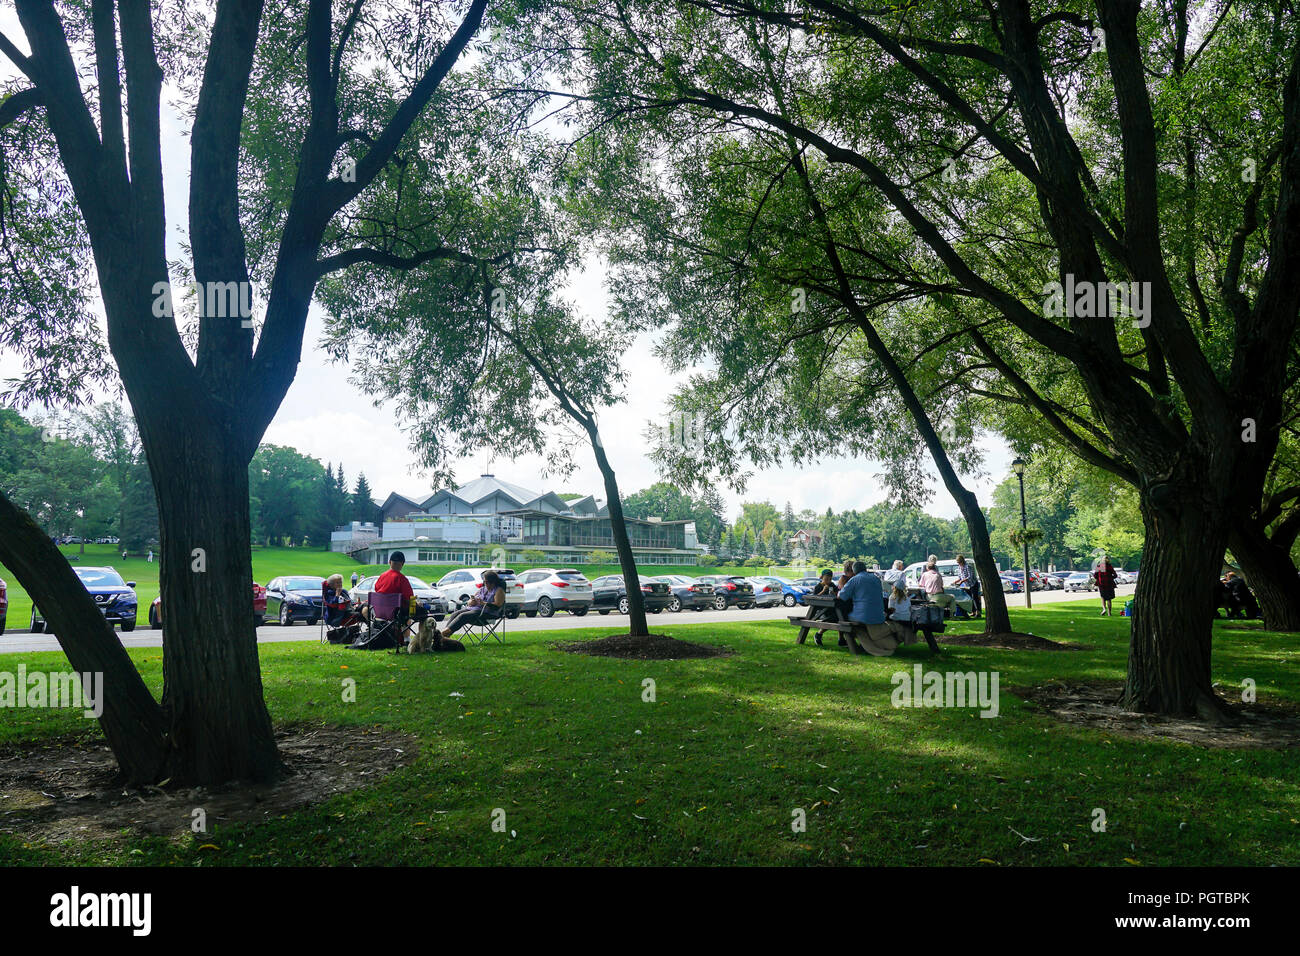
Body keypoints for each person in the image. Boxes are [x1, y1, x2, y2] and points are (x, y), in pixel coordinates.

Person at [439, 570, 506, 643]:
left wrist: (483, 603)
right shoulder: (482, 589)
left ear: (493, 582)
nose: (485, 584)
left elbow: (497, 605)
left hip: (487, 613)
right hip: (475, 610)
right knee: (454, 614)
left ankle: (443, 635)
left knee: (463, 616)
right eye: (484, 582)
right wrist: (471, 602)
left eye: (487, 582)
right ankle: (445, 635)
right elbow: (470, 600)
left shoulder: (498, 590)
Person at [954, 554, 981, 619]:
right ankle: (973, 612)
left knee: (975, 598)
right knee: (969, 598)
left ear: (962, 561)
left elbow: (970, 576)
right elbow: (960, 577)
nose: (958, 564)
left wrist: (962, 581)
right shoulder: (959, 568)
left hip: (973, 584)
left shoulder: (968, 566)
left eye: (959, 562)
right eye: (957, 562)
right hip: (967, 585)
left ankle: (978, 612)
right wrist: (956, 581)